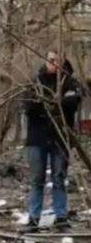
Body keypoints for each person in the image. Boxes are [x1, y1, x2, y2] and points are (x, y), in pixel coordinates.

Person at [22, 52, 83, 233]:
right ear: (45, 61)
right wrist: (47, 104)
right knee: (36, 179)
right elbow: (29, 107)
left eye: (58, 60)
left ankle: (61, 217)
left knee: (59, 177)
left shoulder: (69, 82)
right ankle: (34, 218)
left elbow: (73, 103)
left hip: (60, 137)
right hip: (37, 138)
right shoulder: (36, 82)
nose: (54, 64)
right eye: (51, 60)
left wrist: (57, 103)